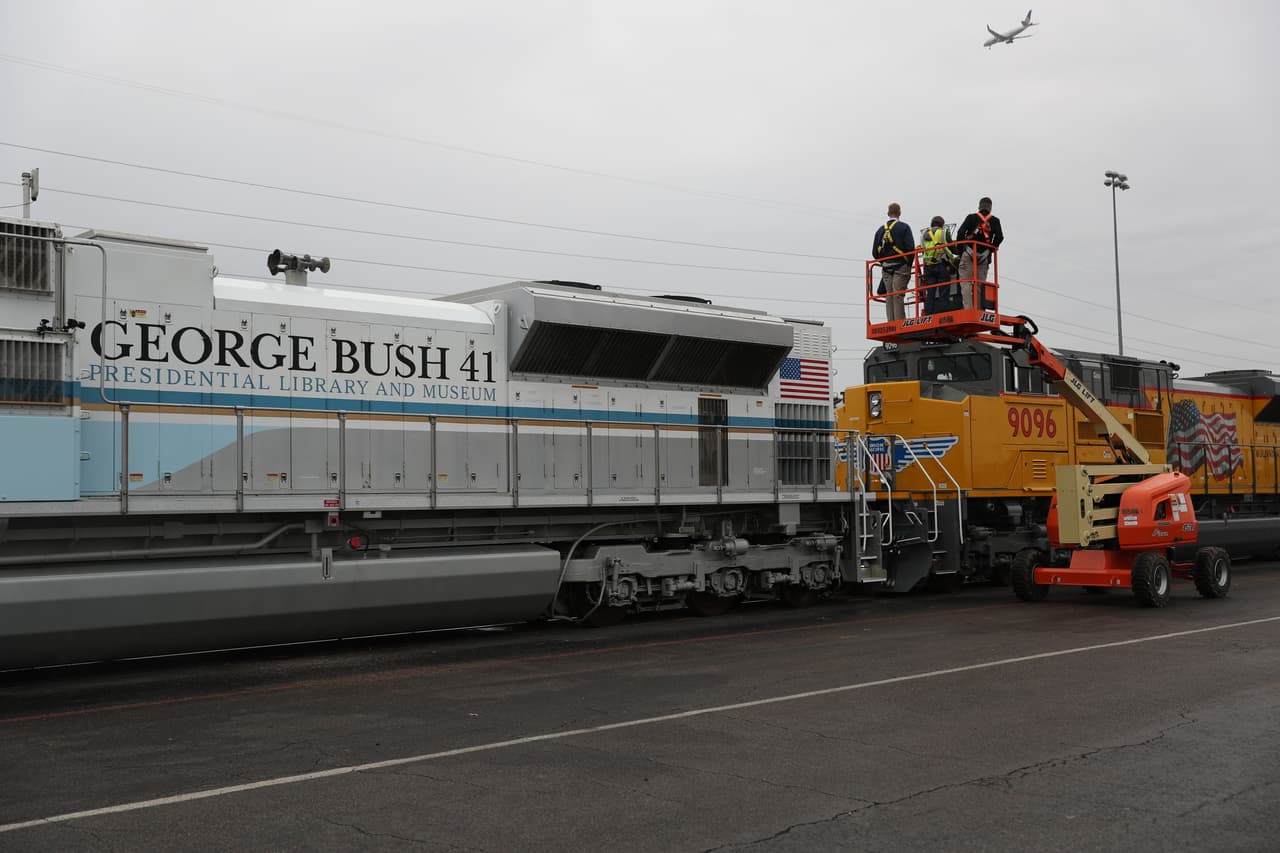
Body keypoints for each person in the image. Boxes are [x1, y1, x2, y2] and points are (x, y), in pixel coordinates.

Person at [955, 197, 1004, 310]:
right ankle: (979, 310)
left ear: (979, 206)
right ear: (990, 208)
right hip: (984, 257)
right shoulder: (995, 221)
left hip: (968, 253)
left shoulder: (971, 218)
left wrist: (961, 251)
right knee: (980, 284)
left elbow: (960, 233)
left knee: (966, 282)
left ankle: (968, 309)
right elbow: (1000, 237)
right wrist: (991, 249)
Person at [872, 203, 915, 322]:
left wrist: (884, 262)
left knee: (889, 295)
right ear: (899, 213)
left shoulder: (880, 230)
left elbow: (875, 252)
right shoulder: (904, 227)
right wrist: (908, 265)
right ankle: (900, 323)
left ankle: (891, 322)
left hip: (886, 268)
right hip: (900, 267)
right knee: (898, 295)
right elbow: (911, 249)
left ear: (888, 213)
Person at [919, 216, 958, 314]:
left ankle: (929, 312)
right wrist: (959, 252)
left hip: (928, 266)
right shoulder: (943, 232)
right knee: (943, 290)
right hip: (942, 265)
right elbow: (952, 248)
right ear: (942, 224)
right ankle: (942, 313)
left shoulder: (924, 235)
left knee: (930, 292)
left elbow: (923, 250)